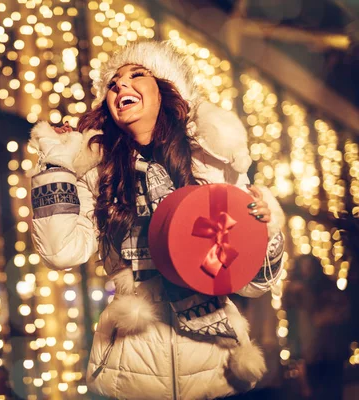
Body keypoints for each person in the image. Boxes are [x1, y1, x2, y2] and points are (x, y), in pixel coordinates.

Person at [28, 41, 286, 400]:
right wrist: (56, 165)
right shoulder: (97, 171)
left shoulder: (210, 163)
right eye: (113, 84)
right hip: (130, 366)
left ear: (164, 89)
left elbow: (254, 284)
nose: (120, 86)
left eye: (137, 75)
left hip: (219, 366)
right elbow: (61, 252)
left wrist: (265, 228)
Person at [284, 255, 351, 399]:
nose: (307, 270)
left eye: (309, 266)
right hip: (309, 351)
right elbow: (294, 323)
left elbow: (337, 313)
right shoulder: (295, 293)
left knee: (332, 389)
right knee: (312, 391)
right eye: (303, 267)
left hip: (330, 349)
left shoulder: (327, 288)